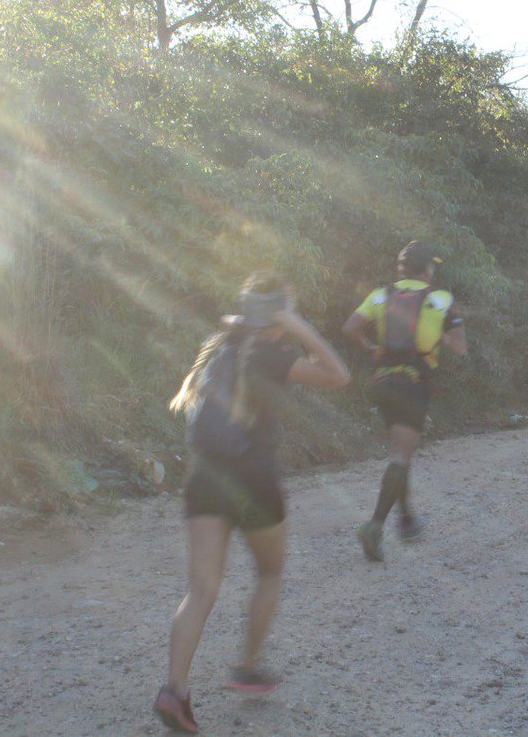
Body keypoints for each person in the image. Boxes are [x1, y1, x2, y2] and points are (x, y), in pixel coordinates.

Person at [154, 273, 350, 734]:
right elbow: (339, 375)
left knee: (200, 589)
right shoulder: (275, 354)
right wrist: (299, 327)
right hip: (254, 480)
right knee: (269, 572)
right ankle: (246, 667)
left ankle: (174, 691)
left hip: (204, 477)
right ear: (278, 315)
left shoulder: (219, 347)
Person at [342, 241, 467, 561]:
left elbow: (350, 328)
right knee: (399, 456)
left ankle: (407, 517)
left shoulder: (381, 295)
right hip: (414, 385)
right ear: (427, 269)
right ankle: (374, 525)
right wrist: (436, 335)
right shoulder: (440, 299)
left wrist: (372, 350)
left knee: (401, 452)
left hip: (382, 383)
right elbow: (459, 348)